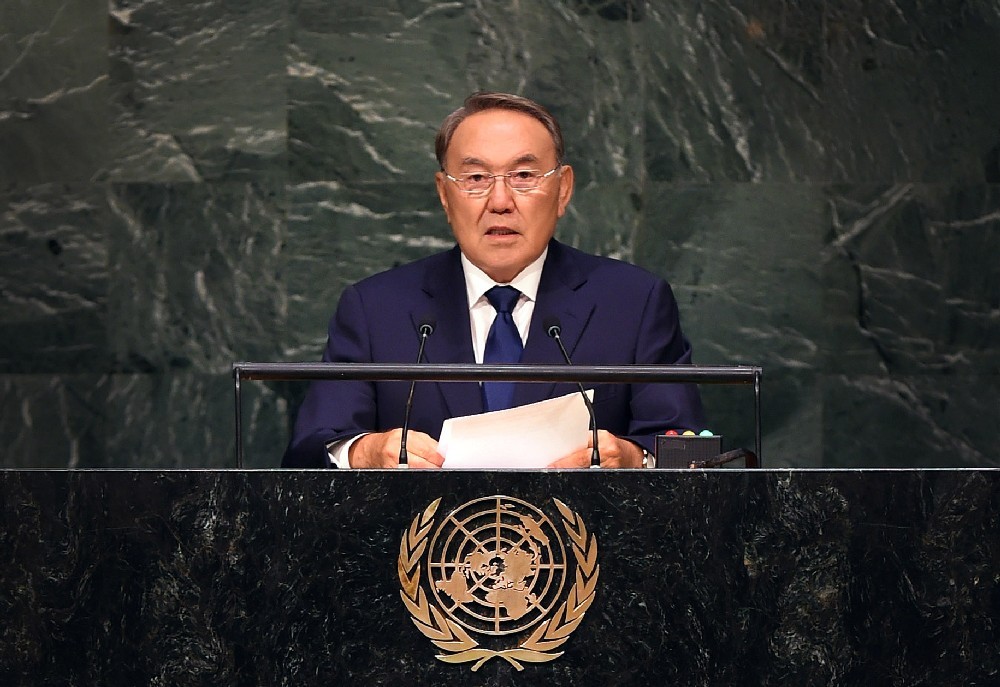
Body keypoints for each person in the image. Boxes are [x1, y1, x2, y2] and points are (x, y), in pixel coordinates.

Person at [282, 91, 705, 469]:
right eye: (475, 179)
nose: (500, 202)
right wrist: (365, 453)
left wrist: (632, 458)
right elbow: (311, 451)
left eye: (524, 176)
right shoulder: (375, 308)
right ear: (444, 195)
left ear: (563, 190)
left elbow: (686, 449)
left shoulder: (633, 302)